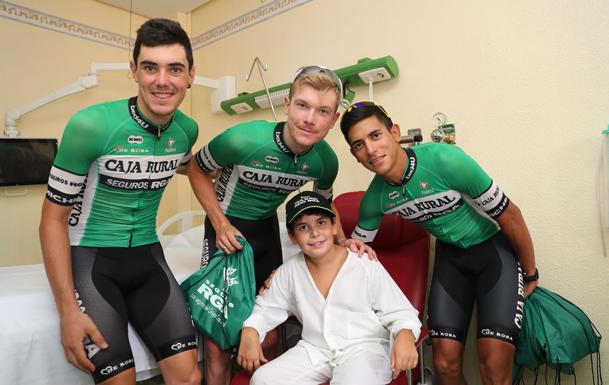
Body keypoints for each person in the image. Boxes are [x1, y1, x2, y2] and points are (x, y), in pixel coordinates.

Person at [187, 65, 373, 385]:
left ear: (332, 120)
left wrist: (343, 241)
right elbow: (195, 168)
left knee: (269, 337)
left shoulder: (325, 161)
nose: (309, 118)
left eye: (322, 111)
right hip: (226, 230)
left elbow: (324, 205)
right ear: (287, 105)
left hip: (266, 233)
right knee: (218, 343)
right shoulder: (242, 139)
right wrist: (218, 223)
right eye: (302, 105)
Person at [39, 18, 201, 385]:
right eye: (150, 67)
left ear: (191, 74)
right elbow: (51, 220)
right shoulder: (90, 126)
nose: (163, 81)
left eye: (174, 69)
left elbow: (188, 166)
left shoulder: (186, 131)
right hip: (93, 260)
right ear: (134, 71)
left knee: (189, 379)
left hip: (148, 256)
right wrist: (67, 310)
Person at [339, 101, 539, 385]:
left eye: (375, 135)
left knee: (493, 363)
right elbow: (354, 253)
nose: (370, 150)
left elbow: (511, 215)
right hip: (451, 259)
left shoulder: (445, 160)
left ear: (394, 133)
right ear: (355, 155)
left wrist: (530, 273)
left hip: (493, 252)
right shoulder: (375, 199)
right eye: (359, 145)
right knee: (444, 364)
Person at [237, 191, 421, 385]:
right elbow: (265, 309)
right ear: (292, 237)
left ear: (334, 226)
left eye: (321, 223)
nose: (314, 233)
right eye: (303, 227)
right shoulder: (289, 270)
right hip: (316, 350)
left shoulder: (363, 262)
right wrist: (250, 330)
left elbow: (400, 311)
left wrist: (405, 334)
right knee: (263, 380)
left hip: (366, 349)